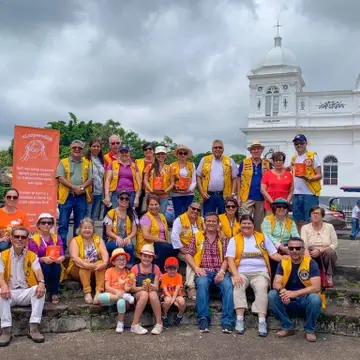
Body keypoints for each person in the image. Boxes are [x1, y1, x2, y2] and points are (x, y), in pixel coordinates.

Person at [226, 214, 282, 337]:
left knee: (262, 288)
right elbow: (230, 259)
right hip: (241, 272)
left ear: (253, 225)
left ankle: (262, 320)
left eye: (249, 223)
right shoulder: (234, 239)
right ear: (240, 225)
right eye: (244, 223)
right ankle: (239, 319)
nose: (246, 225)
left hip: (260, 272)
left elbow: (273, 254)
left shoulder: (262, 237)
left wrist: (286, 259)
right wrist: (235, 275)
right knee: (238, 286)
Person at [184, 213, 234, 333]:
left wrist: (222, 272)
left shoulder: (224, 238)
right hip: (204, 270)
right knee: (201, 283)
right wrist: (196, 268)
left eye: (214, 221)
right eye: (209, 221)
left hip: (219, 271)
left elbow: (228, 257)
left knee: (228, 286)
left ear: (218, 224)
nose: (211, 223)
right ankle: (203, 318)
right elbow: (188, 254)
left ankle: (227, 321)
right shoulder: (197, 236)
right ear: (204, 223)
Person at [268, 237, 322, 342]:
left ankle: (309, 330)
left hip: (304, 300)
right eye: (291, 248)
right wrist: (283, 292)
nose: (294, 251)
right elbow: (276, 283)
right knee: (272, 295)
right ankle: (287, 326)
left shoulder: (311, 263)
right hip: (287, 300)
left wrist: (294, 293)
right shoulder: (284, 262)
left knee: (315, 298)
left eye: (297, 248)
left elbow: (316, 287)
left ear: (303, 249)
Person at [0, 226, 46, 346]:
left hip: (25, 292)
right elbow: (0, 275)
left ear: (27, 240)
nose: (20, 239)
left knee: (40, 289)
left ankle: (34, 328)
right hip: (9, 293)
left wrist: (41, 282)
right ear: (11, 238)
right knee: (0, 292)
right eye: (16, 236)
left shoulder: (32, 255)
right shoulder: (3, 255)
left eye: (23, 237)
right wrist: (3, 286)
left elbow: (38, 271)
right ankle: (6, 330)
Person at [56, 140, 93, 250]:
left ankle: (77, 248)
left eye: (79, 148)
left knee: (80, 224)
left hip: (81, 197)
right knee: (63, 224)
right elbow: (60, 177)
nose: (77, 149)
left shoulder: (87, 162)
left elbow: (90, 179)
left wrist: (81, 187)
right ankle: (61, 249)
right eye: (74, 147)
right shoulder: (63, 162)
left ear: (82, 150)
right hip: (66, 196)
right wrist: (74, 187)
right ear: (71, 149)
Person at [67, 217, 109, 304]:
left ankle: (99, 292)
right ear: (80, 229)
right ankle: (87, 292)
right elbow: (75, 257)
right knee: (85, 263)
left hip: (94, 268)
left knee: (101, 263)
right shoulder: (75, 240)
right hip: (77, 269)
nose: (87, 230)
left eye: (89, 227)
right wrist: (87, 265)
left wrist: (105, 263)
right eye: (85, 228)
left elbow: (104, 252)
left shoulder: (98, 239)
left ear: (93, 229)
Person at [28, 213, 65, 305]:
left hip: (55, 263)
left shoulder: (57, 237)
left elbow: (62, 254)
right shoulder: (33, 239)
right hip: (39, 265)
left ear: (52, 225)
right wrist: (43, 259)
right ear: (38, 225)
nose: (46, 225)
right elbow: (32, 258)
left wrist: (61, 258)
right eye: (43, 223)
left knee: (56, 265)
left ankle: (54, 293)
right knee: (47, 265)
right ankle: (45, 289)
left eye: (49, 223)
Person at [97, 248, 135, 334]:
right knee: (99, 298)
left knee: (121, 302)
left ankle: (120, 323)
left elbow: (126, 289)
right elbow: (107, 287)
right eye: (118, 260)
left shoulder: (128, 272)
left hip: (122, 297)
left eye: (123, 259)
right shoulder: (109, 271)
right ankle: (124, 297)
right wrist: (117, 293)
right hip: (111, 296)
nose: (121, 262)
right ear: (113, 262)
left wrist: (129, 285)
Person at [171, 202, 204, 300]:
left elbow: (206, 233)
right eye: (193, 208)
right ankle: (191, 286)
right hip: (183, 250)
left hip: (199, 251)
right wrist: (182, 249)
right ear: (188, 208)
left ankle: (192, 286)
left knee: (195, 257)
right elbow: (174, 236)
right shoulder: (179, 220)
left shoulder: (201, 220)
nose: (195, 211)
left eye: (198, 210)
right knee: (190, 259)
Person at [196, 140, 238, 215]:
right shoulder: (204, 160)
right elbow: (198, 176)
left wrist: (232, 193)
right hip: (208, 195)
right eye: (215, 147)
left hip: (224, 196)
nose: (218, 149)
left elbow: (234, 178)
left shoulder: (230, 161)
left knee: (224, 217)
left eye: (220, 147)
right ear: (212, 149)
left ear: (223, 149)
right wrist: (202, 192)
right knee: (209, 218)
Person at [137, 195, 177, 271]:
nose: (154, 207)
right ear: (148, 206)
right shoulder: (145, 217)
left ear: (159, 205)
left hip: (161, 245)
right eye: (151, 205)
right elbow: (146, 236)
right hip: (149, 244)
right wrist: (162, 241)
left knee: (174, 249)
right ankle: (157, 270)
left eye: (156, 204)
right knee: (166, 247)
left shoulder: (162, 216)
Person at [237, 140, 271, 231]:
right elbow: (239, 179)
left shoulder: (267, 163)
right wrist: (238, 196)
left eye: (258, 149)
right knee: (245, 221)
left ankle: (257, 242)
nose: (256, 151)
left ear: (261, 150)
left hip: (261, 197)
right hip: (247, 196)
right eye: (253, 149)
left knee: (259, 223)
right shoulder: (244, 163)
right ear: (250, 151)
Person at [301, 206, 338, 287]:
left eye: (317, 213)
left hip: (325, 251)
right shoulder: (305, 228)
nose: (315, 215)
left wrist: (320, 250)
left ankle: (329, 275)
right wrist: (307, 255)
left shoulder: (329, 227)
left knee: (330, 252)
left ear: (322, 216)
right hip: (311, 251)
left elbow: (334, 244)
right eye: (313, 213)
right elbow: (304, 244)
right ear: (310, 216)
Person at [290, 134, 322, 229]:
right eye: (296, 143)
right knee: (298, 220)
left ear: (306, 143)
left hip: (310, 193)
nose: (299, 145)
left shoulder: (312, 156)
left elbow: (319, 175)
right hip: (296, 194)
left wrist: (308, 179)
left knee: (312, 220)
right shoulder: (294, 158)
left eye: (301, 143)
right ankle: (302, 242)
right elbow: (288, 169)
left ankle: (312, 242)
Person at [130, 244, 163, 335]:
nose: (147, 259)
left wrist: (152, 286)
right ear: (140, 256)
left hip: (152, 295)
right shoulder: (135, 269)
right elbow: (132, 288)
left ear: (152, 258)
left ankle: (159, 323)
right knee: (144, 294)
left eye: (149, 257)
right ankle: (134, 324)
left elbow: (156, 287)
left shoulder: (155, 268)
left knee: (152, 293)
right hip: (139, 295)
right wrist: (142, 288)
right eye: (145, 256)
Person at [103, 191, 137, 266]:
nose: (124, 200)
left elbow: (134, 231)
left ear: (129, 200)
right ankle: (110, 265)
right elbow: (108, 232)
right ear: (117, 200)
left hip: (127, 239)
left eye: (126, 199)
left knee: (129, 247)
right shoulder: (111, 213)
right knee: (114, 246)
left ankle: (129, 268)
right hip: (113, 239)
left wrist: (128, 238)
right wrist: (117, 237)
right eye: (122, 198)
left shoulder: (133, 213)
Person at [104, 144, 141, 209]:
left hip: (131, 193)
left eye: (126, 152)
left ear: (129, 153)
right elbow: (108, 180)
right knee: (115, 214)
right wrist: (107, 195)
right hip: (116, 193)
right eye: (122, 152)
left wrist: (137, 197)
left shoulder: (134, 166)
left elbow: (139, 183)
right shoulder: (112, 164)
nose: (124, 154)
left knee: (129, 215)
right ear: (119, 153)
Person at [144, 146, 173, 214]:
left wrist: (165, 191)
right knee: (150, 214)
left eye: (162, 154)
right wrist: (151, 190)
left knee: (161, 214)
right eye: (158, 154)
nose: (160, 156)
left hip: (164, 195)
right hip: (151, 194)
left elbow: (172, 183)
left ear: (166, 155)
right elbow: (145, 180)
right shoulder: (150, 166)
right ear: (155, 155)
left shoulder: (169, 168)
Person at [170, 145, 197, 218]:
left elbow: (194, 181)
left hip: (189, 194)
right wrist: (174, 187)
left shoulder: (192, 165)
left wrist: (189, 190)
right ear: (177, 154)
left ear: (187, 155)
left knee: (188, 214)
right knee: (178, 214)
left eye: (185, 153)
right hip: (176, 194)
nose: (183, 155)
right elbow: (170, 180)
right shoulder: (172, 165)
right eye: (180, 153)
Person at [0, 188, 29, 252]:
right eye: (9, 197)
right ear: (4, 198)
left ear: (17, 199)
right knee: (3, 246)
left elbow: (26, 232)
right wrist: (1, 239)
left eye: (14, 197)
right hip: (3, 244)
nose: (12, 199)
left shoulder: (22, 214)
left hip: (18, 242)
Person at [160, 257, 186, 328]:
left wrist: (173, 300)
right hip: (167, 295)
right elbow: (165, 290)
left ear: (177, 269)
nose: (172, 271)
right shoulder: (164, 276)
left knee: (182, 301)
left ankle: (179, 316)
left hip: (176, 295)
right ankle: (164, 316)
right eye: (170, 269)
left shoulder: (179, 276)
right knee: (168, 300)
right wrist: (171, 301)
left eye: (174, 268)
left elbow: (177, 290)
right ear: (166, 269)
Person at [86, 138, 105, 221]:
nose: (96, 148)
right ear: (90, 147)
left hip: (99, 192)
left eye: (98, 146)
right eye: (94, 146)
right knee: (87, 215)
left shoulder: (102, 160)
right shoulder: (85, 160)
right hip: (89, 192)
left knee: (95, 216)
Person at [135, 142, 155, 216]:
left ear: (154, 151)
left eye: (150, 149)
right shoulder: (137, 162)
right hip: (139, 190)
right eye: (145, 149)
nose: (148, 150)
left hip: (152, 191)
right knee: (138, 211)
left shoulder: (158, 162)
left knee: (150, 212)